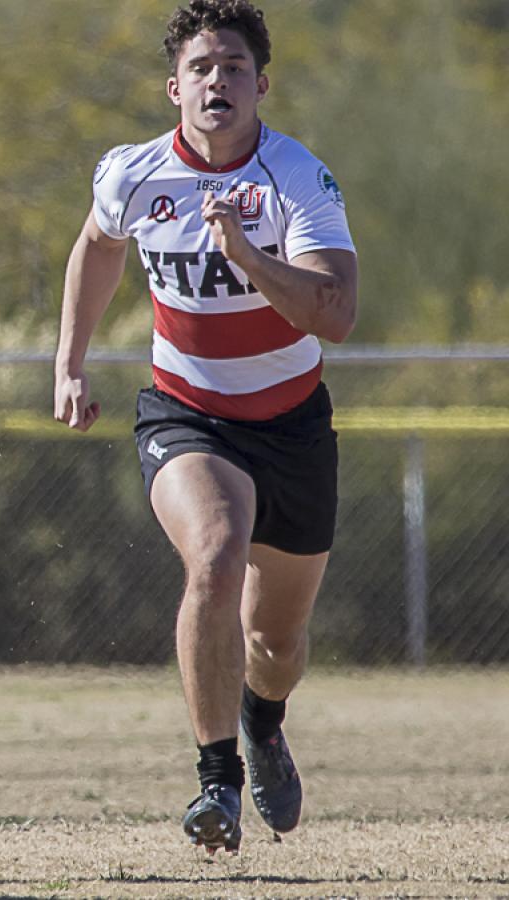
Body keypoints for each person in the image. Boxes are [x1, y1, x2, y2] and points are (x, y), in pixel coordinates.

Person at [52, 0, 357, 854]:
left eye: (232, 68)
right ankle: (215, 783)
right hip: (187, 413)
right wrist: (69, 361)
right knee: (216, 554)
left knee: (278, 639)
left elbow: (336, 313)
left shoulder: (298, 178)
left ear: (261, 85)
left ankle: (263, 722)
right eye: (201, 68)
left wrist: (250, 258)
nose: (216, 81)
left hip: (293, 425)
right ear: (173, 87)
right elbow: (98, 245)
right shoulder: (134, 173)